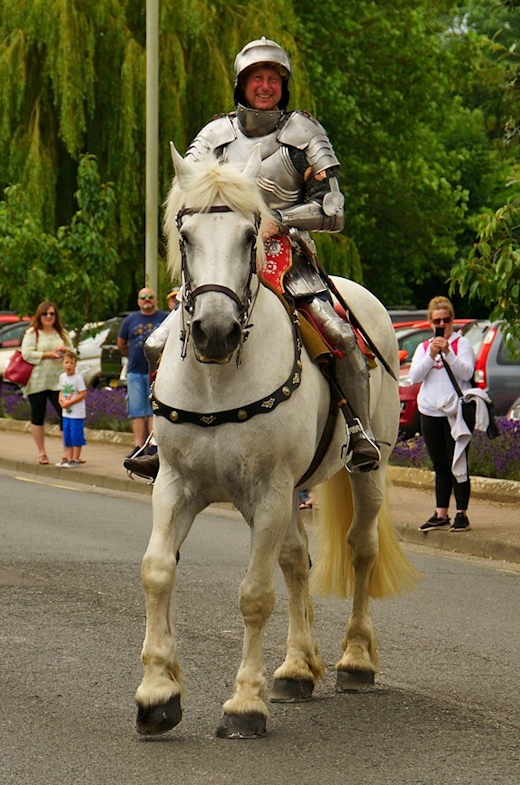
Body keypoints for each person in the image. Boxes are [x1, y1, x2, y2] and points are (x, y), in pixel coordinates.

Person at [127, 37, 380, 483]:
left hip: (287, 259)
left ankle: (359, 431)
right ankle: (157, 438)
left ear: (283, 85)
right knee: (153, 344)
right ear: (241, 85)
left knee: (340, 335)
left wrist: (278, 218)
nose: (264, 87)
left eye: (273, 79)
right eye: (256, 79)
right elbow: (186, 193)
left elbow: (334, 208)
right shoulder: (213, 136)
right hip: (220, 261)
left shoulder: (303, 132)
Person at [409, 296, 476, 532]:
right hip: (430, 412)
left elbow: (467, 373)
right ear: (430, 322)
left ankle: (461, 512)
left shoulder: (461, 344)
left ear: (452, 320)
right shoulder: (423, 347)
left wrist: (448, 353)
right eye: (437, 320)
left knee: (457, 461)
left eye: (446, 320)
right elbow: (414, 376)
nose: (442, 324)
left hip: (455, 412)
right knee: (440, 464)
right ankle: (440, 513)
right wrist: (431, 356)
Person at [21, 301, 73, 465]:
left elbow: (73, 352)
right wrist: (47, 355)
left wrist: (66, 352)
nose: (49, 317)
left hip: (59, 382)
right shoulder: (32, 333)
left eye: (52, 314)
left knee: (64, 414)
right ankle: (41, 452)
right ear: (39, 316)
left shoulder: (61, 333)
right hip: (37, 381)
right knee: (38, 416)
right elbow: (26, 354)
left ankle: (67, 451)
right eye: (45, 314)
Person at [117, 288, 167, 457]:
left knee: (155, 409)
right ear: (138, 301)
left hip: (160, 372)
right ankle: (138, 446)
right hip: (135, 371)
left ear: (156, 299)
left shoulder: (165, 318)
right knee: (137, 410)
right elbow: (121, 344)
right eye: (143, 297)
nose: (147, 300)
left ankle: (153, 446)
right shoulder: (130, 320)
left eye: (150, 297)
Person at [57, 349, 87, 467]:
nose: (68, 365)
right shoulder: (62, 377)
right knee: (67, 435)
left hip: (76, 413)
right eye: (66, 362)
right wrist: (61, 400)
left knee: (76, 435)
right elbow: (61, 391)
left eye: (71, 363)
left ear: (75, 364)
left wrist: (71, 402)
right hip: (66, 413)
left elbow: (82, 393)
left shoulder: (78, 378)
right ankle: (68, 458)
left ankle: (76, 458)